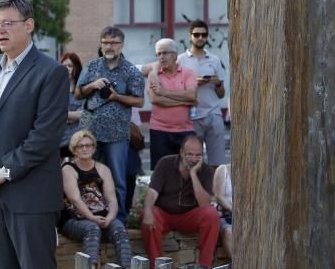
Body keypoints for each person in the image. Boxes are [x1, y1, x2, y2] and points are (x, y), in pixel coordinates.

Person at [0, 0, 68, 269]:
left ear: (29, 25)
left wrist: (3, 172)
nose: (0, 30)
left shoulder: (52, 72)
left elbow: (44, 137)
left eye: (8, 23)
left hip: (31, 198)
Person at [75, 27, 144, 223]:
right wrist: (92, 85)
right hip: (90, 132)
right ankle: (86, 216)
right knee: (86, 175)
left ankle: (118, 221)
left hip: (117, 133)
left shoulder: (130, 70)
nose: (109, 46)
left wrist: (116, 97)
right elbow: (78, 94)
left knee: (117, 179)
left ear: (121, 45)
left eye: (113, 43)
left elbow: (139, 101)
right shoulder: (92, 66)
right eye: (105, 42)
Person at [141, 134, 219, 269]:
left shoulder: (206, 170)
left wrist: (194, 174)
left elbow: (204, 204)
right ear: (181, 152)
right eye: (190, 154)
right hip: (164, 214)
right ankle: (157, 265)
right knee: (150, 213)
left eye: (198, 155)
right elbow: (152, 192)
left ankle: (204, 265)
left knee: (211, 214)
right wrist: (147, 211)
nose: (194, 159)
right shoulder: (165, 163)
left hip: (189, 217)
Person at [60, 129, 132, 268]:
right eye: (80, 146)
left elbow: (112, 200)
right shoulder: (68, 169)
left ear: (94, 148)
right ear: (74, 150)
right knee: (92, 228)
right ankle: (91, 266)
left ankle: (127, 266)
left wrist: (110, 218)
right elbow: (75, 199)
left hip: (102, 217)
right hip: (74, 219)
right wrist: (92, 218)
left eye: (88, 145)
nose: (85, 148)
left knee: (119, 229)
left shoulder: (103, 169)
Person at [177, 21, 227, 165]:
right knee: (191, 162)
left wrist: (217, 83)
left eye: (204, 35)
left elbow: (221, 94)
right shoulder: (180, 60)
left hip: (213, 114)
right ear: (190, 36)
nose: (200, 38)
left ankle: (215, 187)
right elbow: (175, 90)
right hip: (190, 116)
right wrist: (194, 84)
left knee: (217, 163)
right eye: (196, 34)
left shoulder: (215, 60)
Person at [146, 38, 196, 169]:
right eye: (158, 54)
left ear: (174, 55)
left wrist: (164, 92)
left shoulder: (188, 73)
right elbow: (155, 99)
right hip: (159, 130)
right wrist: (183, 101)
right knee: (160, 170)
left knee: (187, 169)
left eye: (165, 53)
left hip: (185, 130)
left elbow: (192, 95)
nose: (161, 57)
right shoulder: (153, 75)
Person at [59, 52, 84, 157]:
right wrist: (73, 115)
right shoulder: (54, 89)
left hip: (78, 140)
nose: (67, 69)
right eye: (64, 66)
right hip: (58, 140)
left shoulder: (83, 89)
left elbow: (85, 114)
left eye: (70, 66)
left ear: (76, 68)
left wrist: (63, 114)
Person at [212, 162, 233, 260]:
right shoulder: (223, 169)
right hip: (227, 212)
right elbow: (219, 196)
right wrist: (234, 210)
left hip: (246, 215)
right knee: (228, 231)